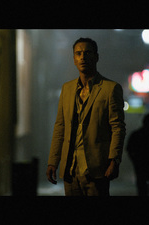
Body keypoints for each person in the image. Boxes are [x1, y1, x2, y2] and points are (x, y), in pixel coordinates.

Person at [46, 37, 126, 196]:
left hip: (97, 168)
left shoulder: (110, 89)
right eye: (78, 53)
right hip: (71, 168)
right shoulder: (67, 89)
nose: (82, 57)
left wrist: (114, 160)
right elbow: (60, 127)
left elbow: (118, 127)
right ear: (74, 59)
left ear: (96, 57)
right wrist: (53, 161)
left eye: (87, 53)